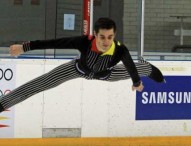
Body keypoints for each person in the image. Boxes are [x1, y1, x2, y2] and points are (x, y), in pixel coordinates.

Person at [0, 17, 164, 113]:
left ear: (114, 35)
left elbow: (130, 67)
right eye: (102, 37)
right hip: (76, 69)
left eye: (110, 37)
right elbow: (54, 42)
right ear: (95, 35)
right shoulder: (84, 42)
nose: (106, 41)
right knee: (39, 83)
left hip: (107, 73)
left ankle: (156, 73)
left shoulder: (120, 50)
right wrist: (24, 47)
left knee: (140, 68)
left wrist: (136, 83)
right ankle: (2, 104)